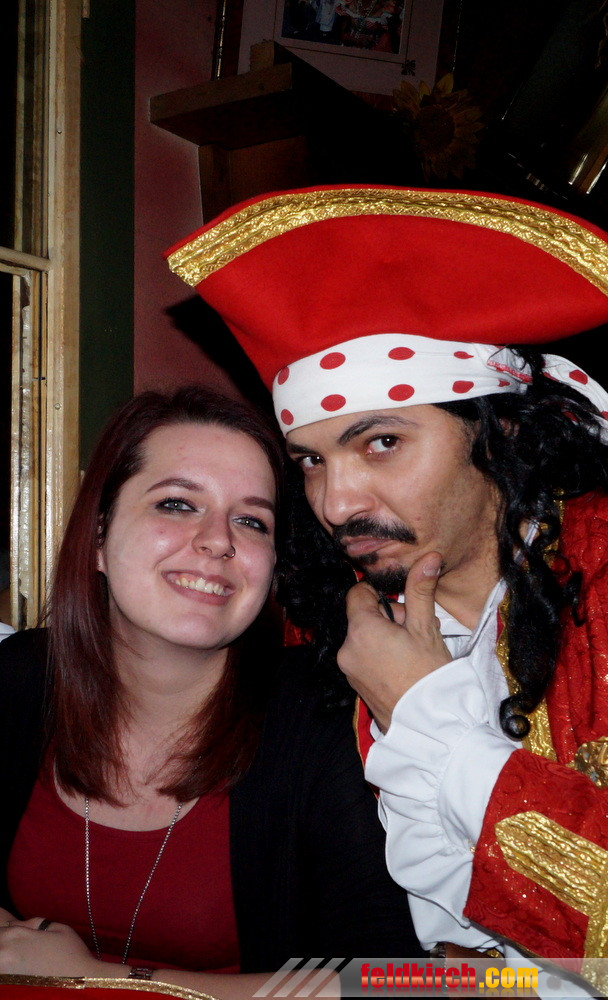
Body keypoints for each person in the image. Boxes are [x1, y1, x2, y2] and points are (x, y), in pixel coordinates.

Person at [166, 184, 608, 998]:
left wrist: (430, 721)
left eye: (381, 443)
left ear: (500, 429)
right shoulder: (324, 633)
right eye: (311, 461)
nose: (335, 504)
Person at [0, 385, 422, 995]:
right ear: (98, 537)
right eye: (176, 504)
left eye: (252, 521)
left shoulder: (327, 718)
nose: (219, 540)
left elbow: (400, 981)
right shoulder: (21, 677)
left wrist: (104, 981)